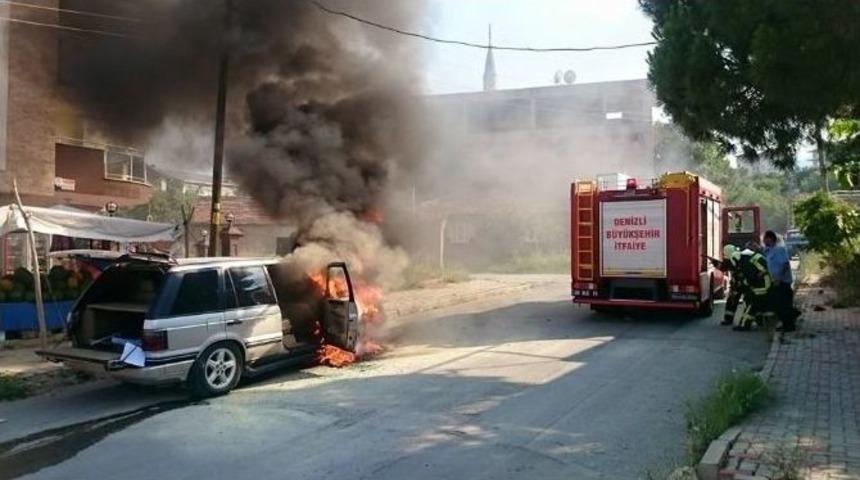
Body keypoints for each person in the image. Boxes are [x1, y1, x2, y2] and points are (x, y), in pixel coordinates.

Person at [763, 230, 798, 332]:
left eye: (765, 239)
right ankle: (786, 322)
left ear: (770, 238)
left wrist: (779, 277)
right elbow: (764, 254)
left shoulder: (780, 249)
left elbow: (784, 264)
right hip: (776, 281)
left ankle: (789, 325)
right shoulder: (770, 250)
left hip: (782, 281)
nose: (764, 241)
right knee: (778, 304)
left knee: (784, 304)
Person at [734, 241, 773, 331]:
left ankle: (744, 325)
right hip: (764, 285)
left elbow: (756, 273)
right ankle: (761, 322)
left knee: (752, 304)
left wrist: (749, 283)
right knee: (758, 304)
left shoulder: (752, 259)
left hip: (762, 286)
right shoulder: (756, 257)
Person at [711, 244, 743, 325]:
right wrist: (715, 262)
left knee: (731, 302)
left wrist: (714, 263)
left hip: (737, 284)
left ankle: (729, 319)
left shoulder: (732, 259)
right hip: (744, 284)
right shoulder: (739, 257)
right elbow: (723, 267)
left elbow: (723, 267)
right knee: (750, 301)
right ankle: (758, 319)